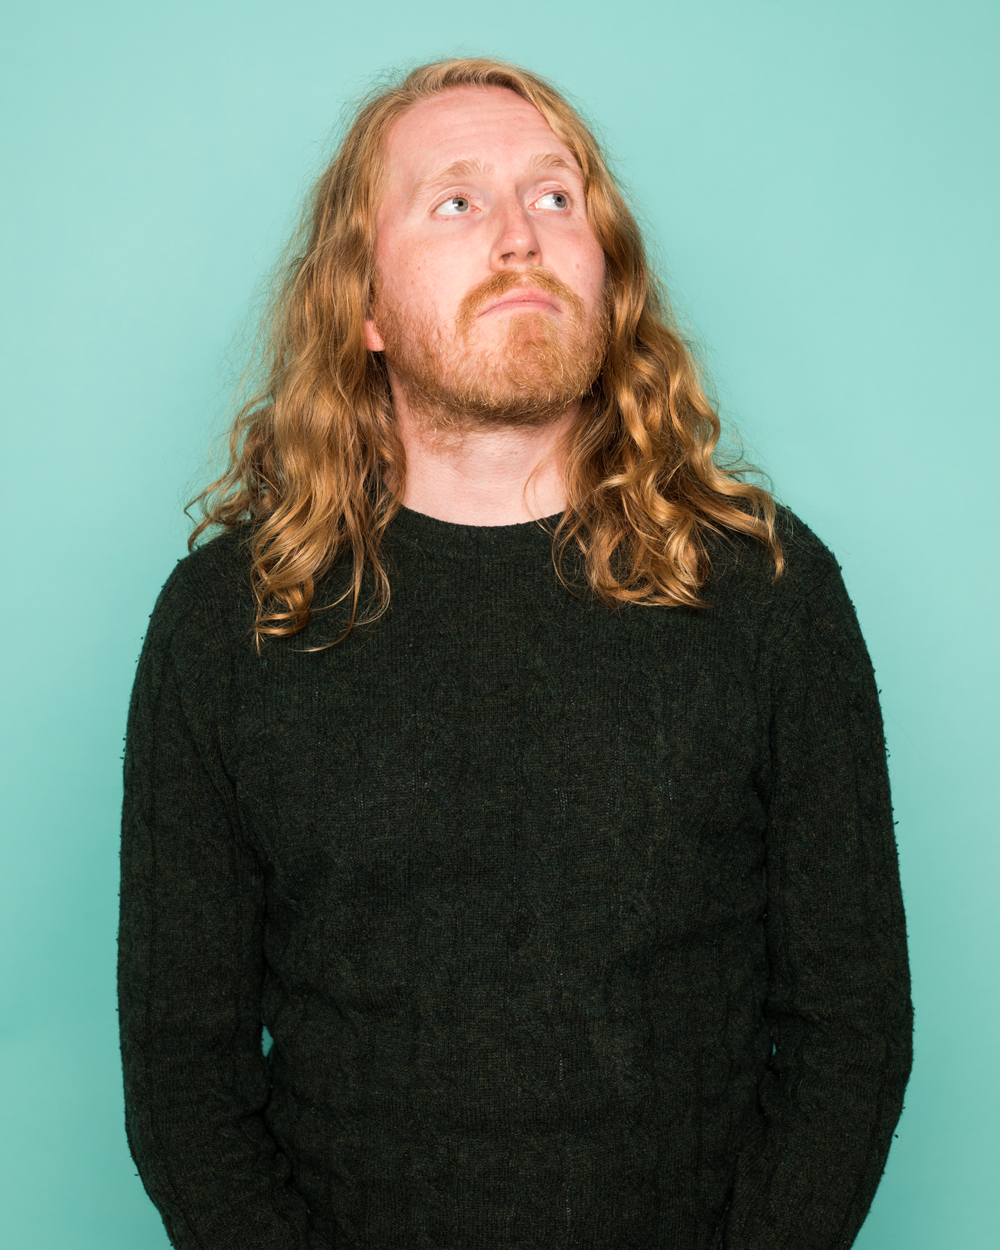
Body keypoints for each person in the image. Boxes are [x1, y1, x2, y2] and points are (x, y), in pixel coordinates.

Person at [118, 57, 912, 1250]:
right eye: (455, 200)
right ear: (363, 305)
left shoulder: (769, 593)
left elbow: (849, 1030)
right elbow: (185, 1079)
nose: (519, 237)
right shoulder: (228, 622)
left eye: (554, 197)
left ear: (609, 274)